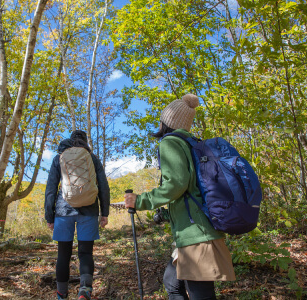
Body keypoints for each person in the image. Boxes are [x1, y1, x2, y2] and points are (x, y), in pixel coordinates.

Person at [124, 94, 235, 300]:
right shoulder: (193, 144)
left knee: (200, 293)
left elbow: (176, 184)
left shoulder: (170, 143)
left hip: (196, 234)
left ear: (166, 121)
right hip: (199, 228)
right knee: (172, 283)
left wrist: (140, 201)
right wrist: (167, 215)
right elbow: (190, 192)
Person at [45, 130, 110, 300]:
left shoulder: (58, 158)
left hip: (63, 212)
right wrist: (105, 213)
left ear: (70, 141)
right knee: (86, 253)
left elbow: (51, 189)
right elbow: (103, 186)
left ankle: (61, 294)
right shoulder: (92, 158)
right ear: (85, 141)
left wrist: (49, 216)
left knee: (63, 254)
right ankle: (85, 291)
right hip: (89, 210)